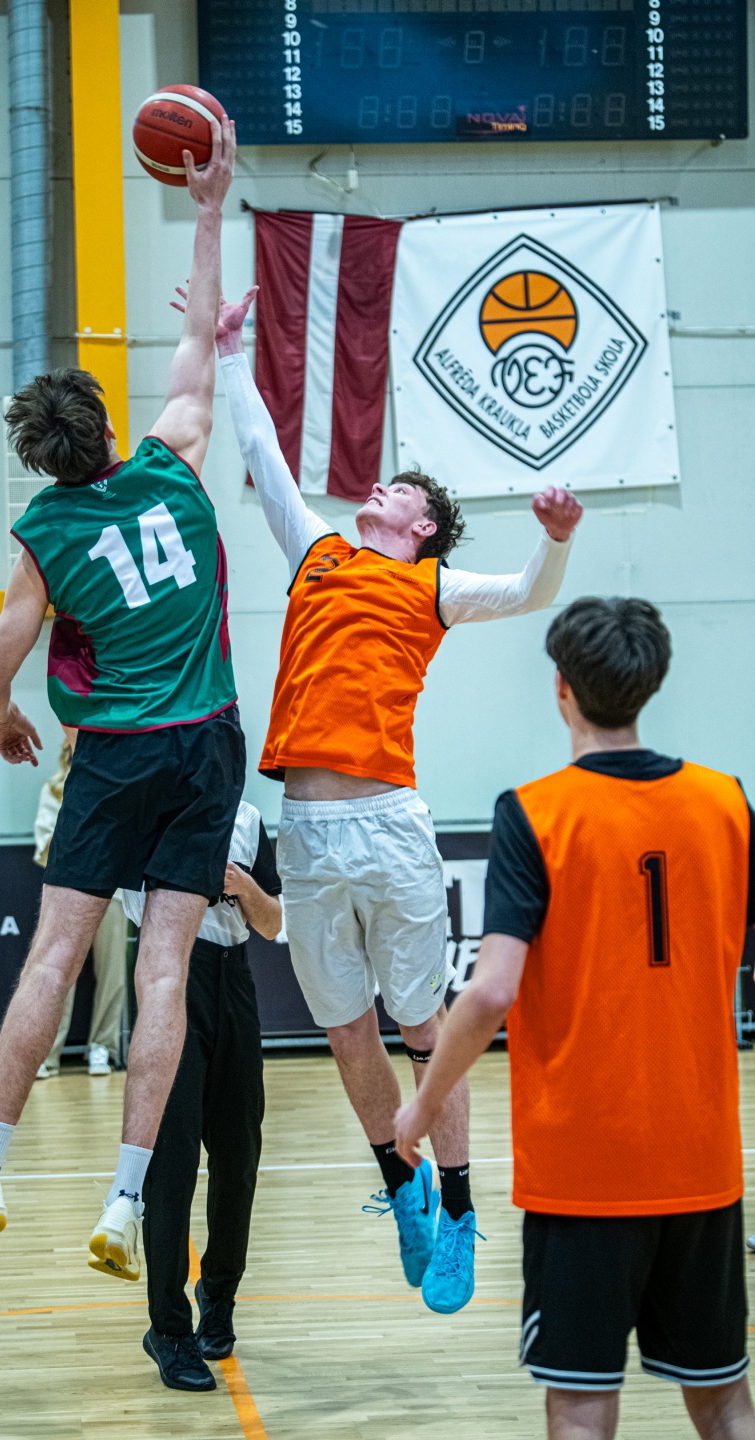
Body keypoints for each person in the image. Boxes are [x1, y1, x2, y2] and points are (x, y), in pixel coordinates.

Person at [208, 287, 582, 1315]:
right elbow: (263, 452)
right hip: (308, 832)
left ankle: (458, 1205)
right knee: (345, 1031)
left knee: (422, 1025)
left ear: (421, 527)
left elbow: (531, 593)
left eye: (399, 489)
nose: (377, 486)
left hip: (388, 825)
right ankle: (401, 1185)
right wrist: (233, 350)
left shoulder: (435, 587)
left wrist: (556, 538)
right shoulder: (317, 552)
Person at [0, 117, 245, 1288]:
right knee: (162, 973)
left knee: (54, 959)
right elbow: (198, 342)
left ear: (41, 460)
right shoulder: (170, 462)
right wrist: (206, 208)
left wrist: (3, 718)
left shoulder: (43, 535)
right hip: (206, 746)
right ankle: (125, 1198)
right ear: (110, 431)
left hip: (112, 755)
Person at [394, 597, 754, 1440]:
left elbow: (491, 992)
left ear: (561, 686)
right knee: (723, 1401)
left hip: (583, 1171)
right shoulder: (727, 803)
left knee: (583, 1408)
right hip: (701, 1157)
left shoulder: (535, 813)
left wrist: (422, 1106)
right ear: (652, 682)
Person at [115, 800, 281, 1393]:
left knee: (239, 1156)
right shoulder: (141, 806)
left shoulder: (248, 819)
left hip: (233, 981)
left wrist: (242, 886)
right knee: (172, 1163)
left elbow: (273, 922)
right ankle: (168, 1328)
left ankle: (220, 1294)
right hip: (168, 975)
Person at [33, 734, 128, 1077]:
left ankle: (103, 1047)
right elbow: (44, 846)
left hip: (113, 891)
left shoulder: (119, 787)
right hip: (67, 893)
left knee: (113, 973)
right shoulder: (53, 790)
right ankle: (47, 1053)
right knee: (58, 972)